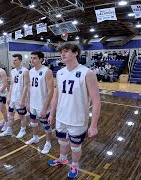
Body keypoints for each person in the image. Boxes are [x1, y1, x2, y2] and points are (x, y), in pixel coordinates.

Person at [47, 42, 101, 179]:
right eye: (61, 52)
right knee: (62, 142)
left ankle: (75, 164)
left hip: (77, 119)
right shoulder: (59, 72)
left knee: (75, 146)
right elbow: (56, 96)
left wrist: (93, 125)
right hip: (61, 117)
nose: (62, 54)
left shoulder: (87, 73)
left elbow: (96, 101)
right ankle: (63, 158)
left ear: (76, 53)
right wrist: (52, 113)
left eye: (66, 51)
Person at [26, 51, 54, 154]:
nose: (32, 60)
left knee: (46, 126)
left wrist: (44, 107)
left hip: (42, 105)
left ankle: (48, 143)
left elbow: (51, 91)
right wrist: (28, 103)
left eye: (34, 58)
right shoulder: (31, 71)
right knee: (33, 123)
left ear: (41, 59)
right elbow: (29, 88)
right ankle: (35, 138)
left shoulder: (47, 71)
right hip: (33, 104)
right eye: (31, 58)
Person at [0, 54, 29, 139]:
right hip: (13, 98)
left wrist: (23, 99)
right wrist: (8, 96)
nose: (13, 62)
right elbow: (11, 84)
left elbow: (26, 86)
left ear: (20, 61)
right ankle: (9, 130)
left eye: (15, 60)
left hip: (20, 98)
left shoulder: (25, 71)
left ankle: (23, 130)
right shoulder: (12, 71)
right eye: (13, 60)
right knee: (10, 115)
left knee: (21, 116)